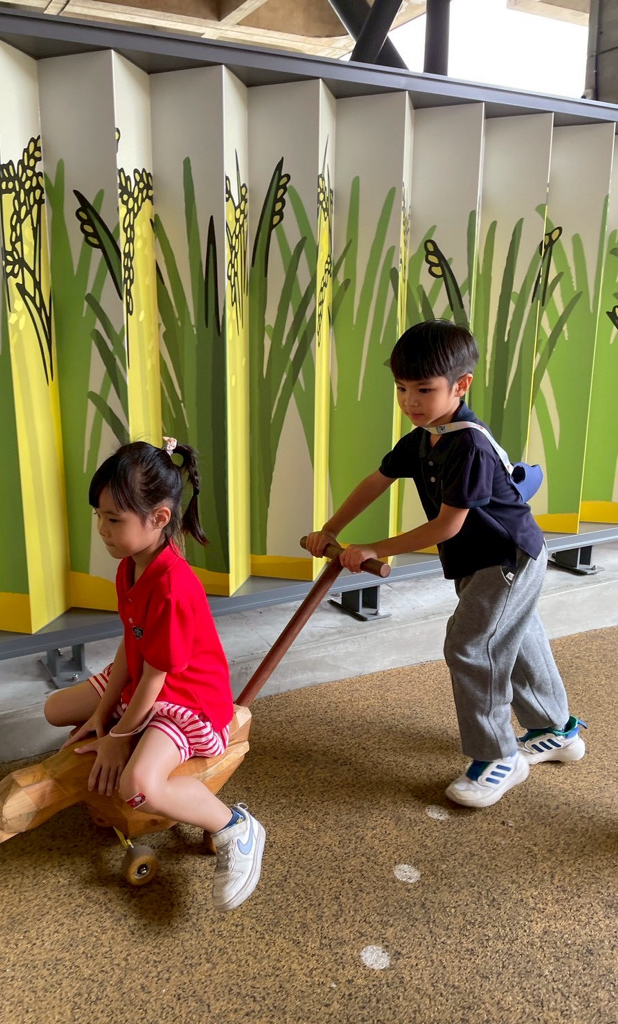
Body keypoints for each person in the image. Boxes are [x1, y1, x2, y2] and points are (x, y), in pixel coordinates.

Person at [305, 320, 585, 809]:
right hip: (480, 560)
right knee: (514, 638)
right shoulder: (423, 437)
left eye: (424, 389)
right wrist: (330, 529)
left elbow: (446, 527)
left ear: (461, 385)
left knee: (471, 646)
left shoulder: (468, 445)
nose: (410, 401)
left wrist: (372, 548)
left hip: (508, 559)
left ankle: (499, 757)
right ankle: (555, 730)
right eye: (401, 388)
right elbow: (375, 482)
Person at [45, 438, 265, 909]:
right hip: (147, 674)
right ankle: (111, 750)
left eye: (114, 519)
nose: (101, 529)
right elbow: (132, 645)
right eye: (99, 515)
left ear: (159, 518)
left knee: (138, 786)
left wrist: (119, 736)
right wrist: (102, 715)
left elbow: (154, 680)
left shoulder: (172, 586)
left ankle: (235, 826)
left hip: (185, 699)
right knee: (55, 709)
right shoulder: (129, 566)